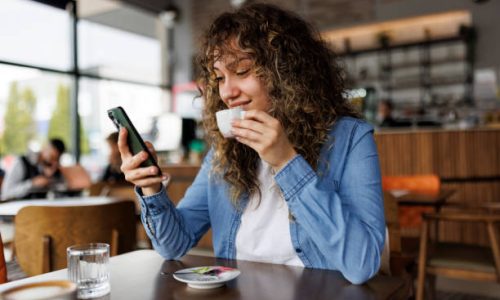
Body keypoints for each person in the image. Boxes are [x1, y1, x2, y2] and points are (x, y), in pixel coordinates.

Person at [118, 3, 385, 284]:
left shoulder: (350, 139)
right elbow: (173, 244)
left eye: (243, 71)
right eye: (220, 78)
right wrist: (150, 188)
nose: (227, 92)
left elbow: (362, 265)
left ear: (287, 73)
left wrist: (286, 162)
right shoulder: (224, 153)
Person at [1, 138, 66, 201]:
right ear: (45, 148)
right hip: (20, 209)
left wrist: (51, 178)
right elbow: (6, 193)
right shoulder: (21, 162)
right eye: (51, 157)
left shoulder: (51, 169)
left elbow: (62, 191)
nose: (53, 162)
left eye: (56, 159)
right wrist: (32, 184)